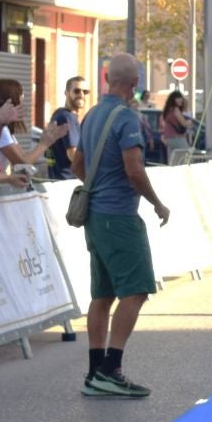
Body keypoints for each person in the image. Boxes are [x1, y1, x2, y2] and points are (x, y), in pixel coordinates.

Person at [72, 54, 170, 398]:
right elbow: (134, 170)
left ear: (107, 79)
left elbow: (77, 164)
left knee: (102, 294)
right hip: (120, 217)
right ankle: (112, 370)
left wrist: (97, 187)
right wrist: (157, 203)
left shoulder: (92, 115)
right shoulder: (126, 119)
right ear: (135, 83)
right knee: (137, 290)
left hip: (96, 216)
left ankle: (95, 372)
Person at [45, 76, 88, 179]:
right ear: (66, 92)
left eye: (85, 92)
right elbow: (73, 155)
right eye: (77, 91)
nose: (81, 95)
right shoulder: (67, 118)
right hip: (67, 182)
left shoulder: (58, 114)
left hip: (57, 180)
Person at [160, 90, 192, 161]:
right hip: (176, 137)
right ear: (173, 100)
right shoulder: (175, 109)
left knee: (174, 158)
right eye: (178, 98)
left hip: (168, 138)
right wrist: (189, 122)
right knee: (186, 155)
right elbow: (183, 123)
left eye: (181, 98)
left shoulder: (167, 110)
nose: (180, 100)